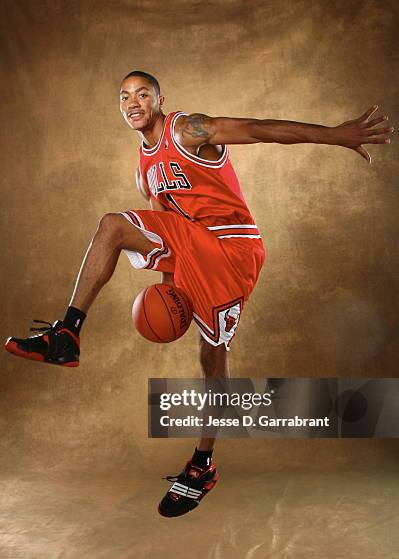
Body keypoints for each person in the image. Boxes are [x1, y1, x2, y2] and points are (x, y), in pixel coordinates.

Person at [4, 71, 393, 518]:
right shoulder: (145, 172)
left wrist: (335, 135)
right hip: (195, 249)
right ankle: (71, 339)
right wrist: (174, 295)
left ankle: (196, 459)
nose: (133, 102)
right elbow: (165, 235)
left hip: (234, 248)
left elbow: (260, 128)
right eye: (124, 96)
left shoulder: (188, 130)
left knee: (211, 351)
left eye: (142, 93)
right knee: (124, 240)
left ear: (159, 99)